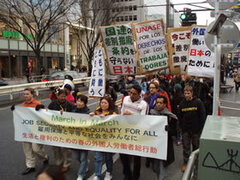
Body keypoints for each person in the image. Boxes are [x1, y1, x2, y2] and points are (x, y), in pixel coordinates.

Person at [11, 88, 48, 175]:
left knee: (36, 149)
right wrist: (14, 110)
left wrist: (42, 108)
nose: (25, 96)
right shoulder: (23, 105)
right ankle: (30, 166)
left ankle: (45, 158)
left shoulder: (37, 104)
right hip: (26, 131)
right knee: (27, 149)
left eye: (27, 94)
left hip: (36, 131)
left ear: (32, 95)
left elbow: (47, 114)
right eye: (24, 94)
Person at [120, 84, 148, 180]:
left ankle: (136, 176)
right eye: (130, 92)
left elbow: (143, 119)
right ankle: (127, 174)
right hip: (125, 130)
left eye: (134, 94)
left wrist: (131, 115)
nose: (131, 95)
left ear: (139, 94)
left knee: (136, 156)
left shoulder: (143, 104)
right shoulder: (125, 99)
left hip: (136, 132)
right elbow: (122, 112)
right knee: (123, 154)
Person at [179, 85, 206, 172]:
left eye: (188, 93)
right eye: (185, 93)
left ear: (192, 93)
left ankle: (196, 163)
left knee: (196, 147)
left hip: (196, 130)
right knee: (186, 148)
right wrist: (181, 128)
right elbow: (179, 117)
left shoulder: (198, 102)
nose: (186, 95)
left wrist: (200, 129)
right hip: (185, 130)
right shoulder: (182, 104)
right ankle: (186, 163)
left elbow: (202, 116)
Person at [89, 96, 117, 180]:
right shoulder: (97, 112)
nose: (103, 104)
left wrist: (105, 118)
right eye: (102, 102)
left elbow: (116, 125)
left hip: (109, 140)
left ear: (109, 104)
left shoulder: (113, 114)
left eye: (105, 103)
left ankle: (109, 173)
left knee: (108, 158)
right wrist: (92, 116)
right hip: (98, 139)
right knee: (98, 158)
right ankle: (97, 175)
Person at [149, 95, 176, 180]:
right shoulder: (151, 113)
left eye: (161, 103)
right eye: (157, 102)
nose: (158, 104)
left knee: (163, 167)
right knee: (156, 167)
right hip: (154, 144)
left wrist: (169, 129)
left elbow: (175, 132)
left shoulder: (170, 116)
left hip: (165, 146)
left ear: (165, 104)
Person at [48, 89, 74, 173]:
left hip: (66, 130)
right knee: (56, 148)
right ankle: (58, 163)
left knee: (66, 148)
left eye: (64, 96)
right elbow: (47, 113)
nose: (63, 97)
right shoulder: (53, 104)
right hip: (55, 129)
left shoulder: (70, 105)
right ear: (57, 96)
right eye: (61, 96)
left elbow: (75, 115)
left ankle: (67, 164)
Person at [73, 95, 90, 180]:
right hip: (75, 139)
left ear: (85, 103)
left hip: (84, 139)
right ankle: (85, 164)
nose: (78, 103)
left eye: (81, 101)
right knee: (77, 157)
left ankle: (80, 175)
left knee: (83, 158)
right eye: (77, 101)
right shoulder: (73, 110)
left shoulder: (88, 113)